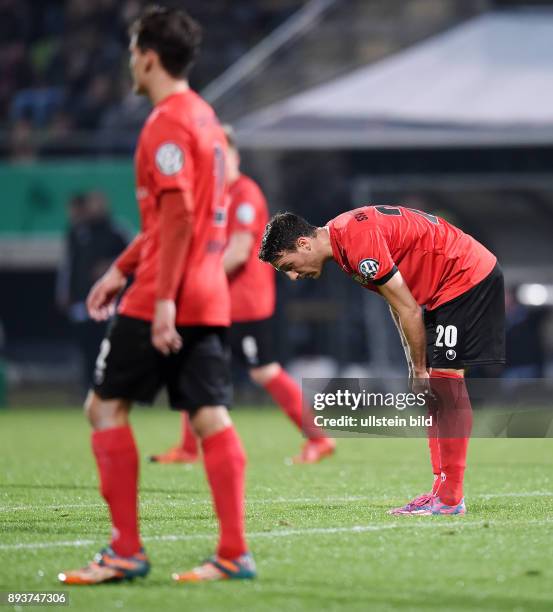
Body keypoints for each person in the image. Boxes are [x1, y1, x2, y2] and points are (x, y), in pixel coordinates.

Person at [58, 6, 255, 585]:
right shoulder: (206, 119)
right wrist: (121, 267)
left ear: (147, 55)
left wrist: (160, 296)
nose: (129, 63)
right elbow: (173, 218)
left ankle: (125, 550)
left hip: (167, 292)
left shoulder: (166, 123)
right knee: (210, 415)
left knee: (104, 407)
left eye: (131, 52)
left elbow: (177, 218)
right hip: (208, 287)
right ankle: (233, 553)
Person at [259, 205, 505, 516]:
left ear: (304, 244)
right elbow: (399, 305)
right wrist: (413, 367)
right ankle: (440, 492)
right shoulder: (345, 245)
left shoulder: (355, 242)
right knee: (436, 388)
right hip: (443, 286)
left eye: (288, 266)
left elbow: (409, 310)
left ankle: (450, 498)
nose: (293, 276)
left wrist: (418, 370)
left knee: (445, 382)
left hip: (465, 275)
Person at [150, 126, 335, 465]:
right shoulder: (213, 194)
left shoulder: (245, 193)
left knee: (263, 371)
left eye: (217, 154)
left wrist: (196, 281)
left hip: (244, 302)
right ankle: (189, 448)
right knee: (193, 362)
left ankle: (319, 439)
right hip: (218, 301)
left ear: (231, 155)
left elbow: (238, 252)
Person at [57, 192, 129, 391]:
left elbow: (132, 259)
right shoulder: (77, 232)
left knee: (108, 344)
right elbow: (68, 266)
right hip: (82, 300)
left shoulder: (115, 231)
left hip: (110, 301)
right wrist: (65, 293)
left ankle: (111, 385)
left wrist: (110, 266)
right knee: (85, 346)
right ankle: (89, 386)